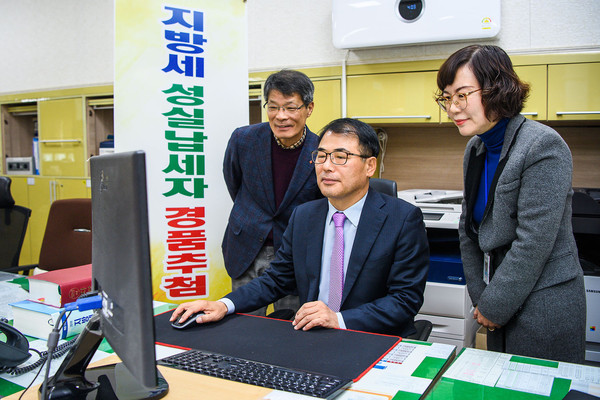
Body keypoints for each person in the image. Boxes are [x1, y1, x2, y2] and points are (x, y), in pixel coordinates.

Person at [172, 118, 429, 337]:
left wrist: (338, 319)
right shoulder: (305, 216)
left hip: (372, 339)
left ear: (369, 165)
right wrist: (223, 304)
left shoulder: (402, 219)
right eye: (321, 156)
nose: (327, 166)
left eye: (341, 157)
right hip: (312, 337)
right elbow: (276, 279)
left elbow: (405, 300)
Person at [436, 44, 586, 363]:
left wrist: (493, 304)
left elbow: (533, 242)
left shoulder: (542, 146)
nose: (452, 108)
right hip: (496, 297)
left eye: (461, 95)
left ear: (496, 89)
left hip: (544, 300)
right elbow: (468, 230)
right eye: (446, 98)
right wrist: (481, 297)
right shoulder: (475, 148)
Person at [222, 69, 322, 316]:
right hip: (246, 246)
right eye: (273, 107)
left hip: (294, 253)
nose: (281, 117)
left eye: (291, 108)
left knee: (288, 330)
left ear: (309, 108)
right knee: (245, 327)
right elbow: (234, 182)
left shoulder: (321, 150)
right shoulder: (243, 139)